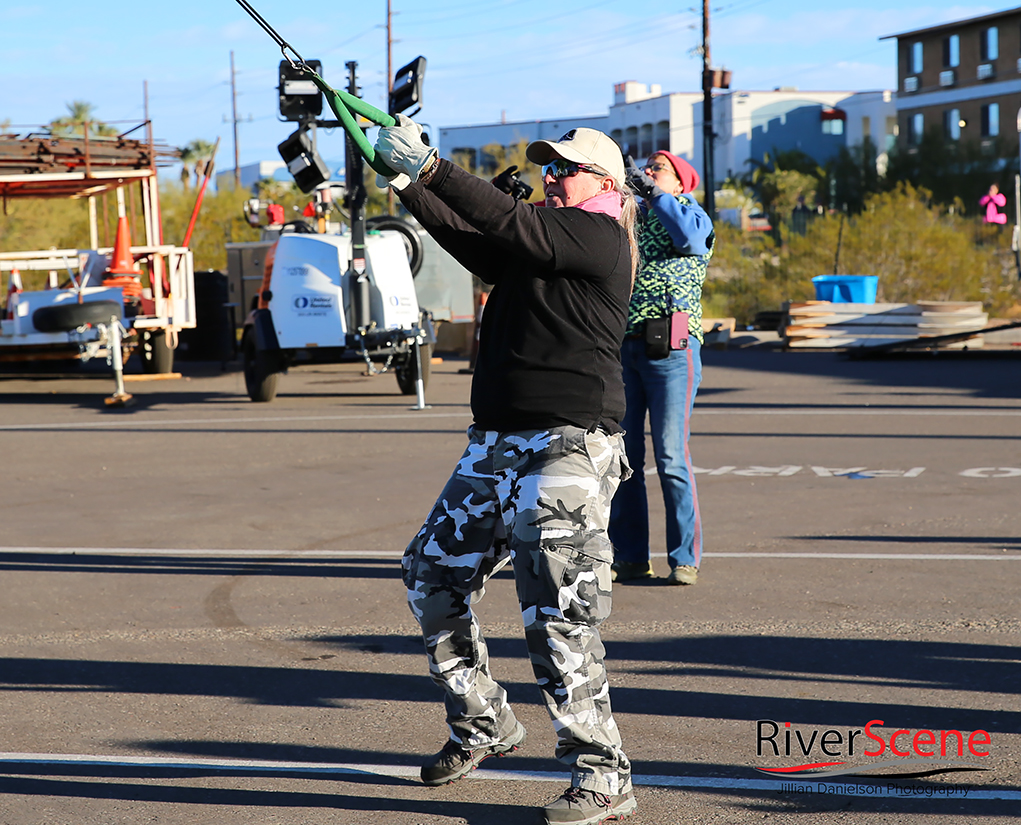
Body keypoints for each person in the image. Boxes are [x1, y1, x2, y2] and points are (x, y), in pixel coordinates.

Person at [373, 121, 639, 825]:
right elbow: (474, 237)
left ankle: (602, 773)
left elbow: (505, 219)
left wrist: (433, 167)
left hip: (569, 445)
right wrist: (408, 184)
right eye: (548, 169)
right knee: (429, 572)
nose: (553, 178)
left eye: (567, 170)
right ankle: (484, 720)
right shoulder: (540, 243)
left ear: (605, 184)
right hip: (495, 443)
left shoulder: (599, 238)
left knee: (555, 603)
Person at [608, 151, 714, 587]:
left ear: (679, 183)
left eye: (657, 170)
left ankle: (684, 558)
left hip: (673, 350)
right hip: (626, 347)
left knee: (671, 456)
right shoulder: (631, 218)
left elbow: (688, 239)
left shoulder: (691, 214)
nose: (646, 174)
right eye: (645, 169)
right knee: (626, 460)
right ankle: (631, 557)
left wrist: (654, 194)